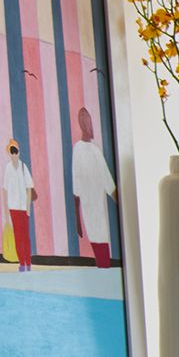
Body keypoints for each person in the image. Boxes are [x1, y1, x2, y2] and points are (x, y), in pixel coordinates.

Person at [68, 108, 118, 266]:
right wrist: (77, 215)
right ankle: (102, 265)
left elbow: (107, 180)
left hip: (95, 201)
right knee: (96, 234)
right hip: (89, 201)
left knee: (100, 235)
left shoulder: (93, 150)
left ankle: (103, 265)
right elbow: (77, 181)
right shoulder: (80, 149)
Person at [0, 137, 37, 269]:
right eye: (12, 151)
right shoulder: (8, 168)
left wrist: (28, 209)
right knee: (18, 237)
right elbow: (5, 190)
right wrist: (6, 213)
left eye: (16, 151)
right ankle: (22, 263)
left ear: (19, 152)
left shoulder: (23, 166)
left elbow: (29, 188)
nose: (14, 154)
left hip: (23, 208)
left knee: (26, 237)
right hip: (13, 208)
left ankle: (28, 263)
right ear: (9, 153)